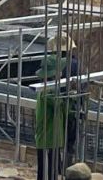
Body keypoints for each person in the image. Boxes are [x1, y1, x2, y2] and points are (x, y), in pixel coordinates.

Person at [34, 53, 69, 180]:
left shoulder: (49, 88)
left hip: (50, 137)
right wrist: (69, 94)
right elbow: (60, 104)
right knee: (47, 172)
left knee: (49, 171)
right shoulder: (48, 90)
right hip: (47, 138)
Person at [48, 34, 81, 164]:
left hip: (54, 107)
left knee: (54, 140)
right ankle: (66, 167)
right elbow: (81, 87)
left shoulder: (51, 63)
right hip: (71, 108)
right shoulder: (75, 64)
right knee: (69, 141)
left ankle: (55, 165)